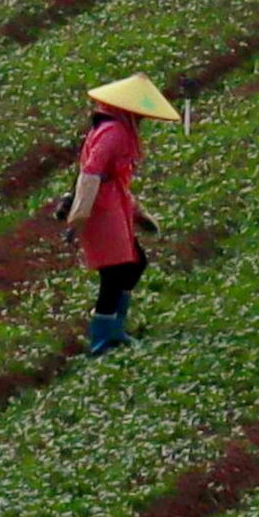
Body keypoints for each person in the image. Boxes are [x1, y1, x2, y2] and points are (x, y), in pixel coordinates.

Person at [57, 75, 179, 354]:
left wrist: (138, 213)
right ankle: (103, 339)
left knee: (133, 264)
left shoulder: (115, 129)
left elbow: (117, 179)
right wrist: (79, 216)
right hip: (102, 210)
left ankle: (115, 328)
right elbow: (90, 175)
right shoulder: (113, 133)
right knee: (115, 273)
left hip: (114, 206)